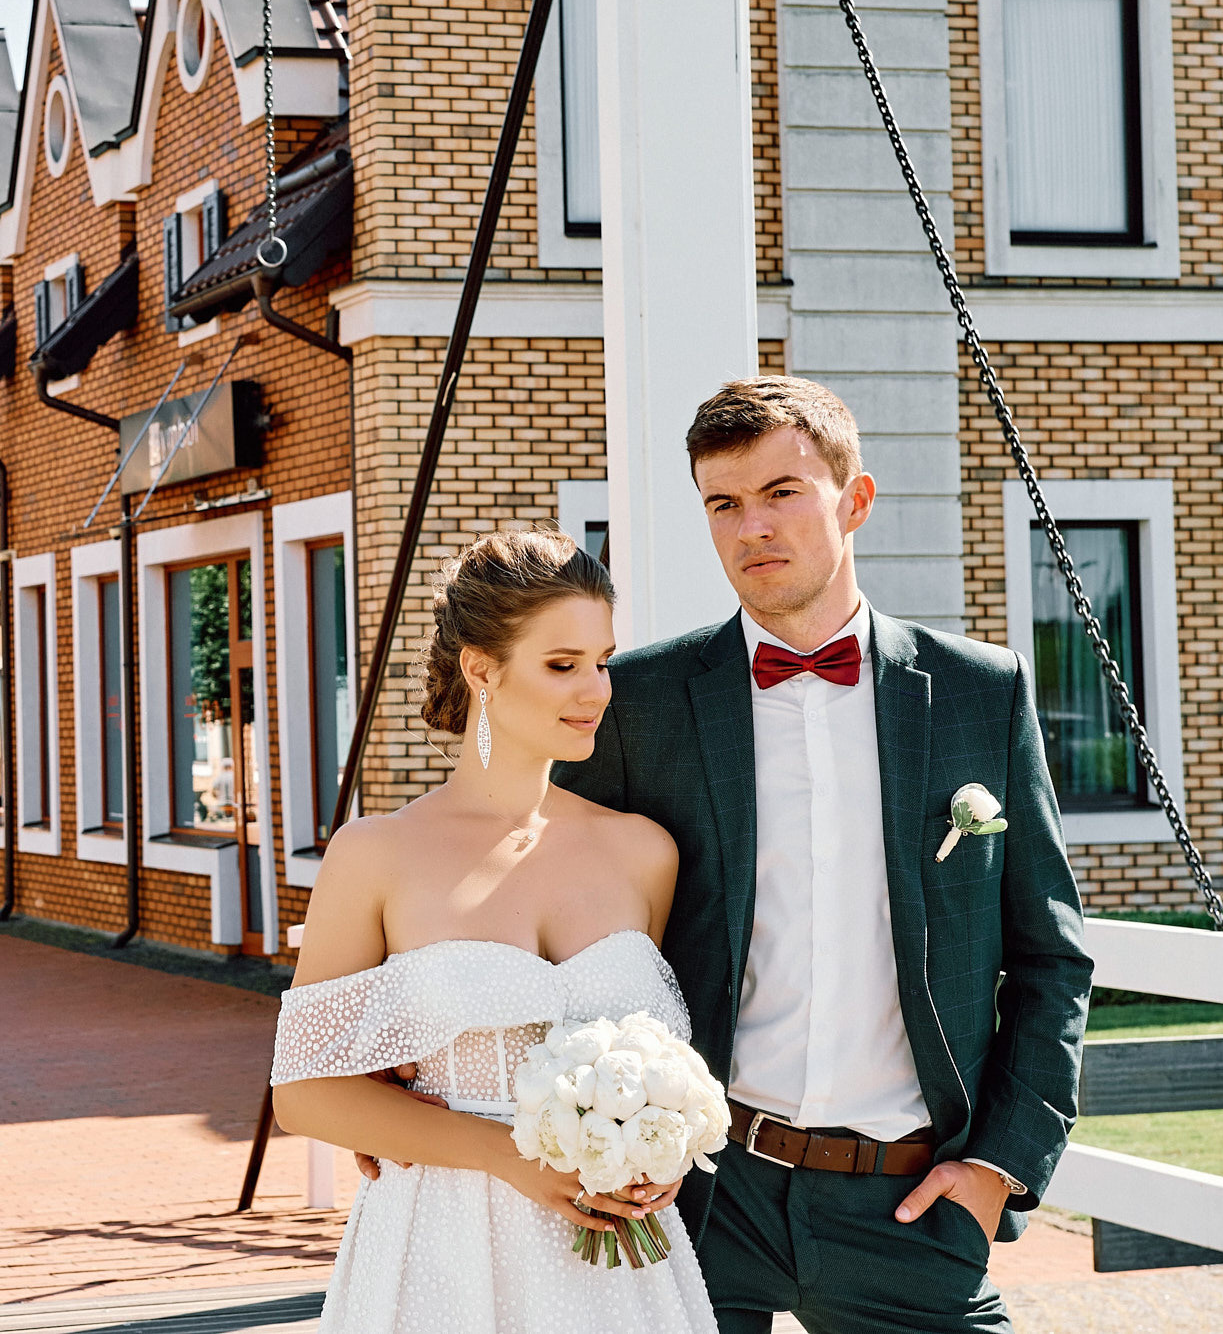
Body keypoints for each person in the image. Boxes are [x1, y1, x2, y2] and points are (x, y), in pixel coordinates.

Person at [549, 376, 1093, 1332]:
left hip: (915, 1204)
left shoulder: (980, 692)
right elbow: (543, 914)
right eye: (724, 503)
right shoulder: (638, 702)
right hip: (706, 1199)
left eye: (782, 492)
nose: (751, 527)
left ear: (856, 500)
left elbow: (1051, 956)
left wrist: (1001, 1167)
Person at [271, 528, 719, 1333]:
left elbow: (670, 1061)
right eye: (562, 664)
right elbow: (303, 1092)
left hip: (622, 1259)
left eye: (602, 661)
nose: (596, 690)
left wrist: (661, 1150)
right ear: (481, 669)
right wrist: (503, 1157)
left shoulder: (643, 852)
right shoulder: (375, 854)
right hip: (440, 1248)